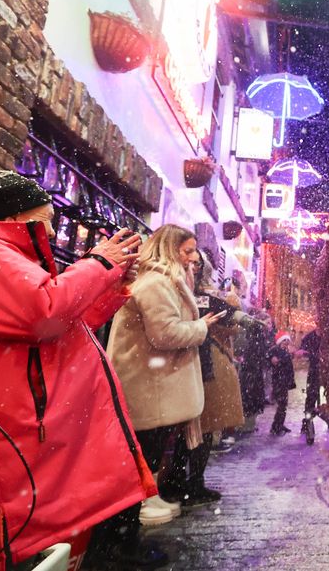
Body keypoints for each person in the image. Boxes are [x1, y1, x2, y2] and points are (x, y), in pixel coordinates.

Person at [0, 169, 155, 570]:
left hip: (18, 430)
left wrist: (107, 283)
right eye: (44, 221)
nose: (50, 231)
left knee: (24, 542)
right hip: (0, 433)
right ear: (14, 220)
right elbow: (42, 313)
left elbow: (60, 329)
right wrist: (98, 263)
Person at [92, 224, 223, 564]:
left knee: (141, 469)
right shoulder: (156, 283)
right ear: (169, 248)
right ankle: (119, 546)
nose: (194, 258)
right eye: (188, 250)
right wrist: (202, 327)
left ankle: (122, 541)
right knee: (137, 472)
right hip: (148, 393)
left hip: (154, 391)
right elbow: (164, 335)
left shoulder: (164, 281)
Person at [159, 254, 249, 508]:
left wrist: (229, 307)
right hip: (189, 364)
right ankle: (183, 482)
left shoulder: (209, 296)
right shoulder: (176, 290)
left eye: (197, 263)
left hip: (201, 364)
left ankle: (188, 481)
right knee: (191, 427)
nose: (193, 266)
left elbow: (232, 328)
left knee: (201, 426)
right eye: (190, 260)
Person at [268, 330, 297, 435]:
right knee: (282, 405)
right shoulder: (275, 350)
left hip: (284, 381)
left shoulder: (285, 351)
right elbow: (269, 358)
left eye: (287, 340)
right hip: (279, 381)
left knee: (283, 405)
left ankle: (279, 424)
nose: (286, 342)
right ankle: (276, 427)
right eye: (284, 340)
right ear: (279, 341)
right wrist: (272, 359)